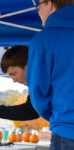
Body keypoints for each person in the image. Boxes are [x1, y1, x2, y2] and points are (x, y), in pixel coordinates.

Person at [26, 0, 74, 149]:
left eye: (38, 5)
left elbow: (38, 95)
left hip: (67, 131)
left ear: (50, 4)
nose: (38, 11)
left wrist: (57, 117)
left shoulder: (44, 40)